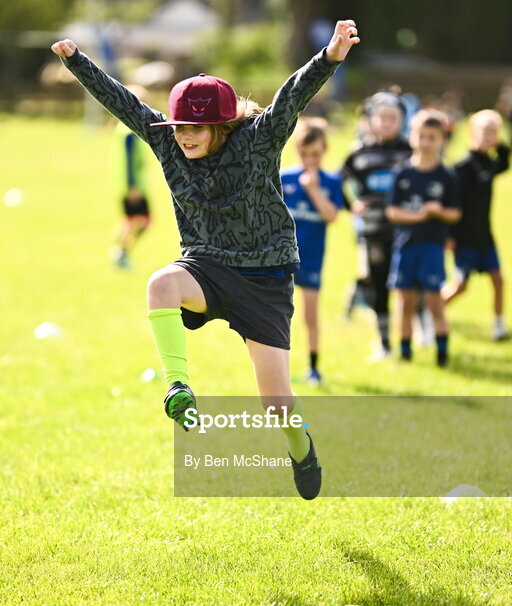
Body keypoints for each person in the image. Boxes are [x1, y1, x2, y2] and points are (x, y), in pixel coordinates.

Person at [52, 20, 360, 500]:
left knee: (277, 405)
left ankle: (302, 447)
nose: (184, 137)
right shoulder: (166, 145)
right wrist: (77, 62)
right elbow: (123, 102)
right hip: (206, 266)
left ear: (221, 125)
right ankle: (178, 388)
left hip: (264, 275)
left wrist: (331, 55)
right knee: (160, 284)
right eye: (178, 127)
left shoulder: (259, 139)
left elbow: (292, 97)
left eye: (195, 128)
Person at [385, 109, 461, 366]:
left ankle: (442, 355)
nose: (427, 142)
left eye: (433, 137)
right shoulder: (402, 174)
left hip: (432, 248)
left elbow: (455, 214)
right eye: (422, 136)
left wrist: (439, 212)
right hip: (406, 246)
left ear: (442, 140)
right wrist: (419, 216)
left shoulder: (446, 175)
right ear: (412, 137)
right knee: (405, 302)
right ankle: (405, 354)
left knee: (434, 302)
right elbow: (393, 211)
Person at [341, 91, 413, 360]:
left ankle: (416, 332)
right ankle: (383, 343)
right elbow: (336, 181)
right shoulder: (359, 152)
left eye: (393, 118)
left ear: (402, 121)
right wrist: (351, 206)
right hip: (373, 231)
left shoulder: (410, 150)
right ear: (371, 120)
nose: (386, 123)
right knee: (378, 285)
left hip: (407, 231)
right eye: (382, 117)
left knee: (409, 284)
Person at [280, 117, 347, 386]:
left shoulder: (331, 181)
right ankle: (279, 369)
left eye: (316, 154)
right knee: (279, 314)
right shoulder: (284, 178)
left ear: (325, 151)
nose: (310, 160)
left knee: (310, 314)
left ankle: (314, 367)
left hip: (312, 259)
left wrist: (314, 190)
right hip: (282, 257)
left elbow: (331, 216)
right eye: (305, 154)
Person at [443, 110, 511, 341]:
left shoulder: (489, 164)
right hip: (464, 237)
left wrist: (499, 145)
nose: (489, 136)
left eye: (494, 132)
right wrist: (450, 236)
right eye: (485, 132)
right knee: (461, 285)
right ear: (472, 134)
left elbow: (506, 163)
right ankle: (432, 312)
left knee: (499, 280)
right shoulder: (461, 167)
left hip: (485, 235)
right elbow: (452, 202)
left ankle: (499, 326)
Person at [110, 85, 153, 269]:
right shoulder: (129, 132)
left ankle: (119, 251)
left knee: (131, 219)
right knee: (143, 221)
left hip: (128, 185)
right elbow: (128, 161)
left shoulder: (125, 128)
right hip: (132, 186)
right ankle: (120, 251)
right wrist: (132, 186)